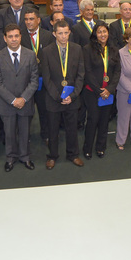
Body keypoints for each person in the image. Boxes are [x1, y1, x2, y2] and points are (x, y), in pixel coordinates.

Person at [0, 24, 39, 172]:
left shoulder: (30, 55)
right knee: (9, 133)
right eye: (10, 36)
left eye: (16, 36)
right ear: (5, 38)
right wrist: (13, 100)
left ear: (20, 37)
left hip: (26, 102)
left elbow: (34, 81)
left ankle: (25, 157)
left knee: (25, 132)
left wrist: (23, 98)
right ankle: (10, 158)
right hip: (7, 103)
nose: (14, 39)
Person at [40, 20, 85, 169]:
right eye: (60, 33)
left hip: (72, 98)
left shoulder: (77, 49)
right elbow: (46, 78)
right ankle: (52, 156)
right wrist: (58, 96)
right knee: (53, 129)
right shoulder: (46, 51)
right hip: (54, 98)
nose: (64, 36)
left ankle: (73, 154)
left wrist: (73, 95)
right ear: (54, 34)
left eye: (66, 33)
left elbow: (80, 75)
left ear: (70, 32)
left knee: (72, 128)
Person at [81, 23, 120, 159]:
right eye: (99, 32)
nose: (102, 34)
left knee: (104, 120)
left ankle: (101, 147)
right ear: (95, 34)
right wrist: (99, 90)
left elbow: (117, 71)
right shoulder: (87, 49)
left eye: (105, 31)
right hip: (92, 92)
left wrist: (109, 89)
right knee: (93, 119)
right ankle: (87, 148)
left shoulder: (114, 49)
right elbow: (87, 71)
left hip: (108, 92)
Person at [20, 9, 52, 142]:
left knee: (44, 110)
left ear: (38, 20)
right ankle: (25, 136)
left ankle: (46, 134)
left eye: (31, 19)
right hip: (26, 81)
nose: (29, 22)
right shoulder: (20, 36)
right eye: (26, 19)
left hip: (43, 80)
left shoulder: (48, 35)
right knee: (26, 112)